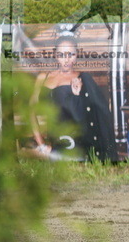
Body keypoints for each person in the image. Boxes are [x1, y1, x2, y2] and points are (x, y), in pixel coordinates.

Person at [28, 33, 117, 161]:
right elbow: (31, 111)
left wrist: (77, 96)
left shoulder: (83, 79)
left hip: (77, 145)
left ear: (77, 55)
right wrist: (41, 143)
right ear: (55, 55)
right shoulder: (43, 77)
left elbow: (92, 118)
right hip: (53, 143)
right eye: (62, 55)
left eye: (71, 54)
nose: (67, 59)